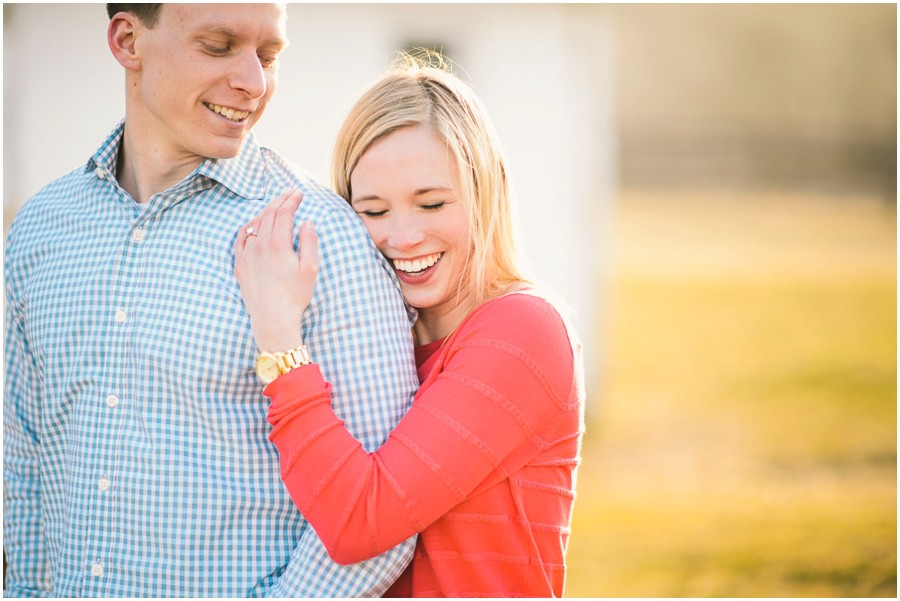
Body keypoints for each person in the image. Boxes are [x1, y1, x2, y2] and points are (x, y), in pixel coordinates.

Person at [4, 4, 418, 597]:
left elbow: (381, 513)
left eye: (269, 56)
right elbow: (24, 463)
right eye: (219, 46)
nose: (254, 83)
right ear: (127, 40)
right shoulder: (42, 228)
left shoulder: (321, 235)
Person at [235, 53, 585, 597]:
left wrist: (279, 337)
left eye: (431, 203)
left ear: (484, 189)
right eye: (373, 212)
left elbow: (359, 523)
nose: (403, 237)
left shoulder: (524, 330)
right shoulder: (379, 336)